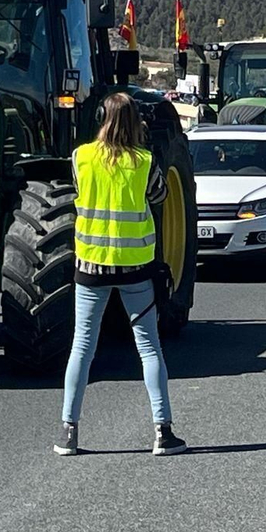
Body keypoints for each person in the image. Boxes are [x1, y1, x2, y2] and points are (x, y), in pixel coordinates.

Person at [56, 92, 185, 457]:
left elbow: (80, 193)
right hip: (135, 270)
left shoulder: (81, 158)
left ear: (101, 118)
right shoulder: (144, 162)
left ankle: (69, 431)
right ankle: (163, 432)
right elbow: (158, 197)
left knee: (82, 348)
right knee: (149, 348)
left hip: (91, 268)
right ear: (135, 122)